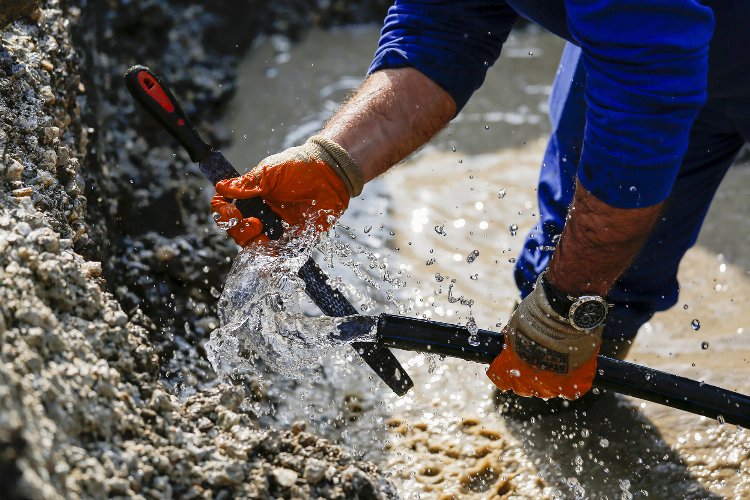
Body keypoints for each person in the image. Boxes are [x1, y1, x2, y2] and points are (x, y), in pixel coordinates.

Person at [212, 1, 750, 402]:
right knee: (586, 288)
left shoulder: (647, 54)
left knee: (573, 294)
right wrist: (332, 163)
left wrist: (568, 303)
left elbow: (646, 107)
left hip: (662, 44)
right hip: (655, 40)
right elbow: (442, 29)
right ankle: (570, 383)